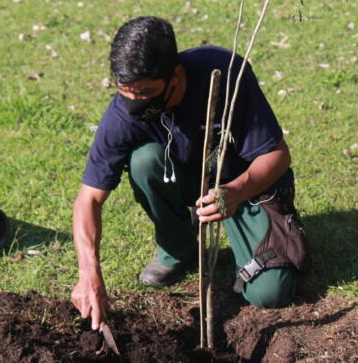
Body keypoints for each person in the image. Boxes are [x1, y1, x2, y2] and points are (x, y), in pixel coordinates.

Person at [71, 16, 306, 330]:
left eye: (145, 92)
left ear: (175, 75)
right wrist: (89, 273)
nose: (134, 104)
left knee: (269, 291)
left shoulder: (224, 75)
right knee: (144, 161)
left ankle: (270, 230)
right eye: (125, 92)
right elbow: (89, 199)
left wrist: (234, 192)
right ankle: (177, 250)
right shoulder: (121, 115)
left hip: (244, 187)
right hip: (189, 181)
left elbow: (277, 155)